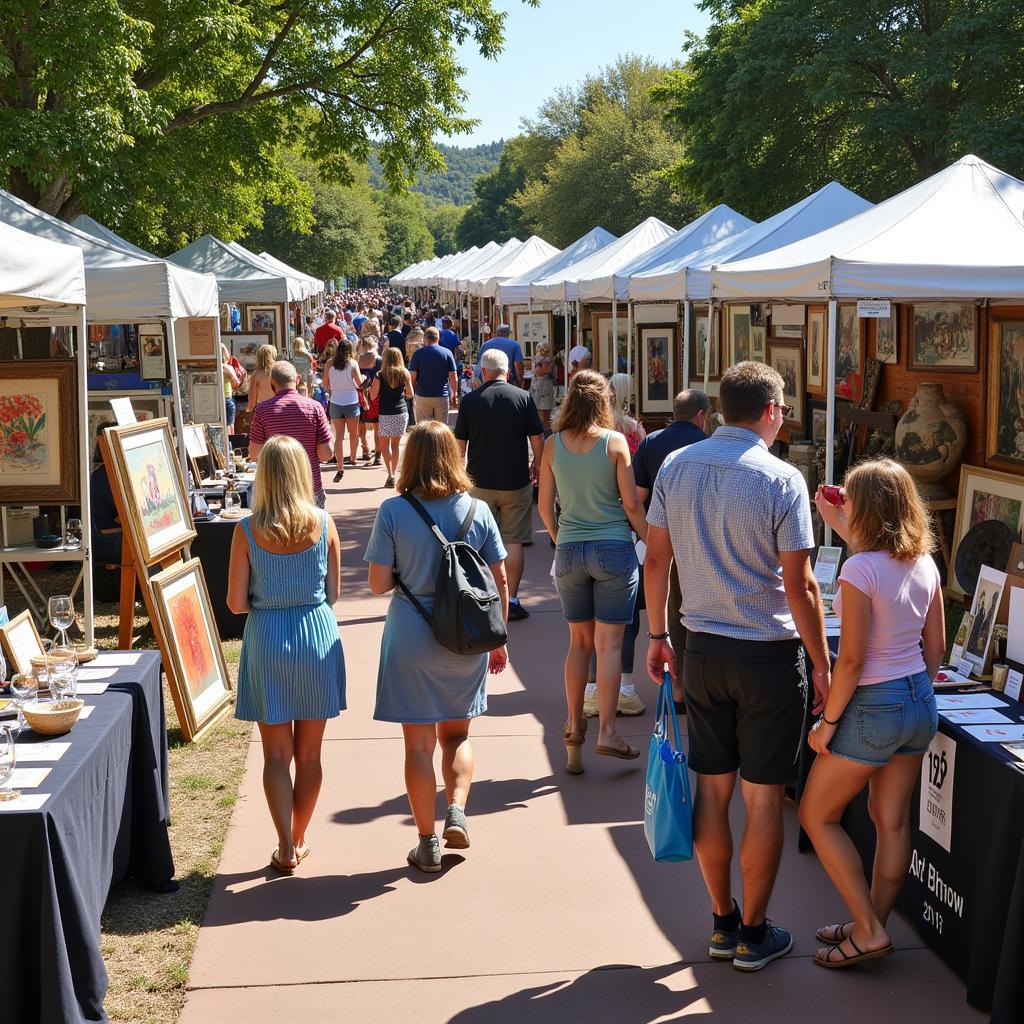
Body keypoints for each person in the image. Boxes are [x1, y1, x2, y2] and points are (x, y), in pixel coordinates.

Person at [643, 361, 830, 972]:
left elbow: (656, 563)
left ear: (721, 409)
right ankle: (753, 931)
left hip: (700, 645)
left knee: (713, 790)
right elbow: (800, 584)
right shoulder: (782, 479)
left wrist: (655, 634)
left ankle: (722, 922)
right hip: (768, 655)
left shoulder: (677, 465)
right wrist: (823, 664)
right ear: (772, 410)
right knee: (764, 798)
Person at [801, 460, 944, 969]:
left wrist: (828, 724)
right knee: (891, 822)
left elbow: (853, 660)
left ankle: (866, 929)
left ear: (867, 509)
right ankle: (873, 923)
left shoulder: (858, 569)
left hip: (873, 705)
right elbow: (936, 649)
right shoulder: (925, 561)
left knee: (816, 814)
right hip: (919, 702)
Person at [364, 421, 509, 873]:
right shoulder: (478, 510)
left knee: (417, 746)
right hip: (466, 637)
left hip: (411, 634)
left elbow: (377, 584)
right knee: (458, 735)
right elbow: (498, 579)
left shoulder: (393, 511)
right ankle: (458, 811)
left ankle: (426, 842)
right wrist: (502, 641)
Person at [227, 435, 346, 874]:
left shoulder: (245, 529)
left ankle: (284, 846)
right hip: (316, 634)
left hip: (268, 637)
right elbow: (333, 594)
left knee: (276, 755)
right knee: (310, 755)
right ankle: (299, 836)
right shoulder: (324, 523)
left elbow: (236, 603)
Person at [538, 370, 648, 774]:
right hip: (614, 549)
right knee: (610, 646)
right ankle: (606, 731)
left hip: (569, 549)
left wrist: (559, 535)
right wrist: (651, 541)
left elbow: (544, 505)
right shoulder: (615, 442)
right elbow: (632, 505)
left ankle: (572, 726)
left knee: (578, 644)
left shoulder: (552, 445)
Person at [631, 389, 709, 709]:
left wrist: (648, 537)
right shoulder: (708, 445)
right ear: (701, 416)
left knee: (671, 613)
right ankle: (698, 686)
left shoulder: (651, 442)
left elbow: (637, 495)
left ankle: (677, 688)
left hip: (663, 537)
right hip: (701, 541)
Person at [455, 348, 544, 622]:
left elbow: (460, 445)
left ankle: (484, 595)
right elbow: (537, 438)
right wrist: (538, 464)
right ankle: (513, 598)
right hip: (515, 481)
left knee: (480, 541)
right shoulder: (523, 398)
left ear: (483, 372)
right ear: (507, 371)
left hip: (479, 482)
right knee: (514, 540)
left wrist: (458, 473)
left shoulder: (470, 401)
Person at [579, 372, 647, 719]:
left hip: (577, 537)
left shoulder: (570, 441)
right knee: (624, 621)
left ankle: (590, 694)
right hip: (619, 535)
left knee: (587, 626)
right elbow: (634, 498)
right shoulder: (631, 433)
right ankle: (625, 688)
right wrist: (648, 534)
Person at [248, 361, 334, 508]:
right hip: (310, 489)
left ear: (272, 383)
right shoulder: (315, 408)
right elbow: (326, 454)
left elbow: (254, 453)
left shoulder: (262, 411)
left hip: (275, 493)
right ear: (297, 379)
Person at [371, 347, 414, 488]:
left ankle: (389, 474)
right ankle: (394, 473)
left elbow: (373, 396)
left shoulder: (380, 375)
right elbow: (410, 394)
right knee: (396, 446)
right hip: (400, 412)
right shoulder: (404, 373)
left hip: (385, 413)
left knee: (385, 446)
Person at [326, 339, 364, 478]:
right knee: (353, 434)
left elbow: (325, 384)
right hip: (351, 402)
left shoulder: (329, 364)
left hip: (335, 402)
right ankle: (353, 458)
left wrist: (335, 390)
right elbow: (360, 384)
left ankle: (340, 465)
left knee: (339, 437)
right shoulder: (353, 364)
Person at [409, 326, 459, 424]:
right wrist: (454, 393)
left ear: (424, 339)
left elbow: (412, 377)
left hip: (423, 396)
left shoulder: (418, 354)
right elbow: (453, 377)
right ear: (438, 338)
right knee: (440, 429)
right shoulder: (447, 353)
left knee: (424, 429)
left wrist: (413, 393)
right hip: (441, 396)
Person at [357, 337, 382, 465]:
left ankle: (365, 450)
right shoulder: (379, 360)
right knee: (377, 427)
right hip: (376, 395)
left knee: (360, 425)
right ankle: (378, 453)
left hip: (361, 395)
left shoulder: (358, 360)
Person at [529, 343, 555, 434]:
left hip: (539, 383)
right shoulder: (548, 358)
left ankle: (545, 434)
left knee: (542, 411)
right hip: (542, 383)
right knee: (543, 412)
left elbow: (539, 371)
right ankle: (545, 434)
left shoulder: (542, 358)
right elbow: (544, 371)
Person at [246, 344, 278, 410]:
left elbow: (252, 398)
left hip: (263, 408)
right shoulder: (277, 371)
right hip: (277, 406)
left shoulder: (256, 374)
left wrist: (249, 410)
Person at [221, 342, 242, 432]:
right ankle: (229, 444)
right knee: (229, 426)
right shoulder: (227, 368)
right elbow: (236, 384)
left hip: (214, 400)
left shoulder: (211, 367)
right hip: (226, 398)